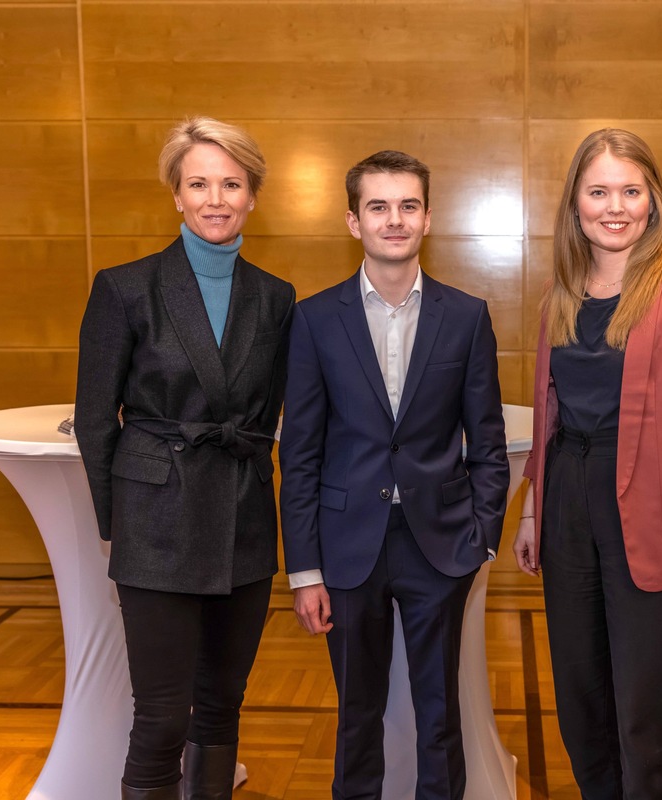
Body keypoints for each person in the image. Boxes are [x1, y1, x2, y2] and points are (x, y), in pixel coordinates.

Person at [75, 117, 294, 800]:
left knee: (223, 705)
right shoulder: (124, 288)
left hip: (243, 516)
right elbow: (93, 417)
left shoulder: (277, 297)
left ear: (253, 195)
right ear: (175, 194)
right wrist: (118, 520)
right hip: (156, 520)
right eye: (198, 183)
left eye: (231, 183)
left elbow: (277, 411)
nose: (216, 198)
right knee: (163, 715)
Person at [512, 128, 662, 800]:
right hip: (568, 512)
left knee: (647, 717)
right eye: (599, 191)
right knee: (581, 707)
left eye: (631, 191)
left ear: (652, 200)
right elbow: (547, 414)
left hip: (654, 516)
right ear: (575, 204)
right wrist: (531, 510)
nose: (616, 206)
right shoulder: (560, 295)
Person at [279, 150, 509, 800]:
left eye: (408, 205)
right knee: (356, 717)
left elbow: (486, 441)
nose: (394, 219)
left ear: (428, 217)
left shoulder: (465, 318)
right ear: (353, 221)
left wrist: (482, 538)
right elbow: (299, 453)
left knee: (440, 716)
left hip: (440, 546)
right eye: (378, 206)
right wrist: (304, 570)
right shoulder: (315, 320)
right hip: (346, 547)